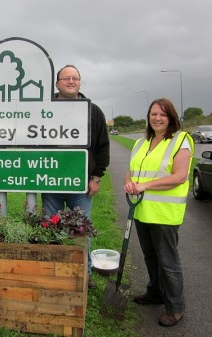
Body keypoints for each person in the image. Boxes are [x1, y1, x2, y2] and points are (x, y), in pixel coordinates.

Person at [124, 98, 193, 327]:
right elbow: (131, 170)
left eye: (162, 114)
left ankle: (175, 308)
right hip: (142, 210)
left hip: (164, 213)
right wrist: (129, 183)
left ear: (171, 117)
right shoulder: (142, 142)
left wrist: (144, 186)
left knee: (168, 262)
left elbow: (179, 176)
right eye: (153, 114)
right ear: (148, 117)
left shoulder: (181, 140)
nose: (157, 118)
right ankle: (155, 293)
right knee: (150, 256)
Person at [41, 65, 110, 289]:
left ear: (80, 83)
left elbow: (102, 147)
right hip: (50, 182)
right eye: (66, 78)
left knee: (80, 231)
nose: (71, 81)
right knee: (52, 229)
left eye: (75, 78)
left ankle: (84, 275)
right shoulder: (43, 108)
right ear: (57, 83)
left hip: (80, 184)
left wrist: (96, 177)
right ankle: (55, 273)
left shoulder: (93, 111)